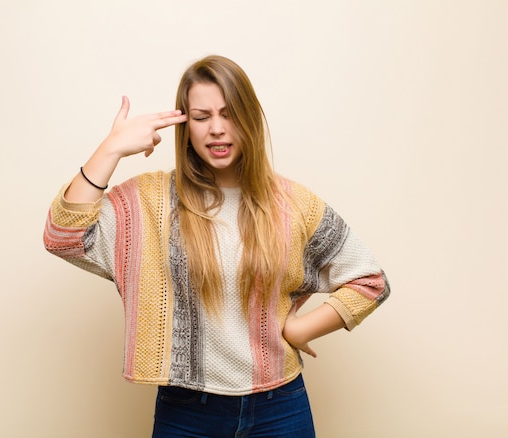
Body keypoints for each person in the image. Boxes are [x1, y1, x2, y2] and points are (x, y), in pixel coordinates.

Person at [43, 55, 390, 437]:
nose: (218, 129)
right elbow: (64, 235)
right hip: (187, 413)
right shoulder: (151, 201)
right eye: (202, 116)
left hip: (281, 408)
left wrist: (299, 330)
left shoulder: (292, 204)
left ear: (249, 120)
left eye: (230, 113)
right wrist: (110, 149)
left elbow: (369, 281)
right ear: (185, 125)